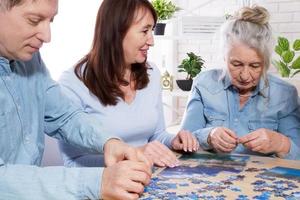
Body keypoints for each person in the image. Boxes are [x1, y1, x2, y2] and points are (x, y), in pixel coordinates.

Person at [0, 0, 152, 199]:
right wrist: (97, 182)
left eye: (50, 21)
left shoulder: (29, 61)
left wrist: (109, 142)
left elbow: (64, 116)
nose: (47, 36)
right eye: (34, 20)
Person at [58, 0, 199, 168]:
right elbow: (73, 163)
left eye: (152, 30)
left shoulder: (151, 73)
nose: (151, 41)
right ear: (117, 32)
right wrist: (134, 154)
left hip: (148, 179)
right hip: (103, 187)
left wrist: (174, 141)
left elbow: (156, 135)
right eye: (145, 31)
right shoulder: (72, 83)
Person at [181, 5, 300, 160]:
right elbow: (183, 140)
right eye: (236, 64)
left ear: (266, 62)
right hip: (210, 177)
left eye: (255, 66)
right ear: (224, 58)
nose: (245, 75)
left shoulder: (284, 94)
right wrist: (209, 136)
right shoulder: (203, 84)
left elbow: (297, 155)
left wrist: (280, 143)